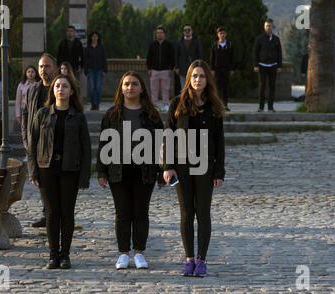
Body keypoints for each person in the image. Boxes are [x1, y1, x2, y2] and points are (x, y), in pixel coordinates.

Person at [162, 60, 225, 277]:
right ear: (189, 78)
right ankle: (189, 259)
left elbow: (219, 142)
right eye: (195, 76)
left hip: (206, 167)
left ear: (208, 80)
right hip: (181, 165)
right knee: (187, 212)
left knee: (203, 212)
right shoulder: (177, 104)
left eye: (202, 76)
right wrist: (168, 166)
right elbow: (168, 137)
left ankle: (202, 260)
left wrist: (219, 172)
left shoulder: (214, 107)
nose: (198, 80)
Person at [96, 71, 165, 270]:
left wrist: (162, 173)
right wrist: (101, 172)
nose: (130, 87)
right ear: (121, 88)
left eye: (134, 84)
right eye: (126, 84)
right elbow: (104, 143)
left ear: (141, 88)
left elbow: (162, 145)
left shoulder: (151, 115)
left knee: (141, 213)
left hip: (145, 171)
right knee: (122, 213)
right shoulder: (112, 114)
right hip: (118, 170)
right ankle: (123, 253)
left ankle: (140, 253)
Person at [27, 74, 91, 269]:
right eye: (57, 86)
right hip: (47, 169)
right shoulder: (43, 114)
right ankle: (53, 255)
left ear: (71, 91)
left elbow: (86, 149)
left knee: (67, 213)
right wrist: (33, 172)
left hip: (70, 169)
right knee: (52, 213)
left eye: (65, 86)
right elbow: (33, 145)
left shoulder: (78, 117)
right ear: (52, 90)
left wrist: (84, 177)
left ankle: (65, 255)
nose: (60, 89)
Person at [22, 53, 58, 228]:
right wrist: (25, 137)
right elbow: (26, 113)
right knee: (42, 182)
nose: (44, 70)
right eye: (41, 66)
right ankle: (47, 215)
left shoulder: (60, 88)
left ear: (55, 68)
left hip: (55, 143)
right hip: (36, 143)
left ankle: (56, 215)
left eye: (47, 66)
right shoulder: (33, 89)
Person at [253, 18, 282, 112]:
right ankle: (261, 107)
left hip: (273, 65)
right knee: (262, 86)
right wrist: (256, 65)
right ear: (264, 27)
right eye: (267, 26)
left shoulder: (276, 39)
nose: (268, 28)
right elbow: (255, 52)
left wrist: (279, 66)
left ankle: (270, 107)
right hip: (262, 65)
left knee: (272, 86)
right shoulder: (259, 38)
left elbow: (279, 53)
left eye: (270, 26)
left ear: (273, 27)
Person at [147, 26, 175, 110]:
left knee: (165, 89)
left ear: (164, 34)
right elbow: (149, 57)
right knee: (154, 89)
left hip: (165, 70)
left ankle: (166, 104)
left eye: (161, 33)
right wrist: (149, 68)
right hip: (154, 71)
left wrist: (171, 68)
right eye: (158, 33)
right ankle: (154, 105)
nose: (159, 34)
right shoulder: (152, 45)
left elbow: (172, 57)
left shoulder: (169, 45)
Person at [210, 26, 235, 112]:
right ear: (218, 35)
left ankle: (225, 105)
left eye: (223, 33)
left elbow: (232, 58)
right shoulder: (215, 45)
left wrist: (232, 69)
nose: (222, 35)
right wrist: (212, 69)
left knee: (225, 87)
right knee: (217, 87)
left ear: (226, 34)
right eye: (220, 33)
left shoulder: (230, 45)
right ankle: (217, 105)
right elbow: (212, 58)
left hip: (226, 69)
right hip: (217, 69)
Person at [84, 31, 107, 111]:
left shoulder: (101, 47)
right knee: (92, 88)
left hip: (99, 70)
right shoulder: (88, 48)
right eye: (93, 36)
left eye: (96, 36)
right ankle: (93, 104)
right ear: (91, 38)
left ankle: (97, 104)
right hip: (90, 70)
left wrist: (105, 70)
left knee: (98, 88)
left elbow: (104, 59)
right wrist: (86, 71)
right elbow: (85, 60)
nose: (94, 38)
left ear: (98, 38)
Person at [175, 24, 202, 89]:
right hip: (182, 67)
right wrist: (176, 67)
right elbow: (176, 55)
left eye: (188, 30)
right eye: (185, 30)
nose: (187, 31)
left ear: (192, 31)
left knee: (193, 86)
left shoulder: (196, 41)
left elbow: (199, 54)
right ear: (183, 32)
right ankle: (185, 99)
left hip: (194, 67)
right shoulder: (179, 42)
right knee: (183, 87)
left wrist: (199, 66)